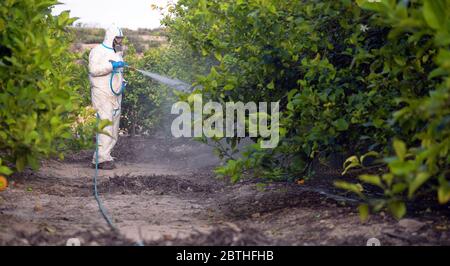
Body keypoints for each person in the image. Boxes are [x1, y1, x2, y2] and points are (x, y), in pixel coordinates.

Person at [88, 25, 127, 170]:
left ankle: (106, 154)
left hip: (115, 94)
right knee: (105, 124)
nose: (120, 41)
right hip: (102, 93)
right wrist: (111, 66)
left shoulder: (118, 52)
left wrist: (122, 83)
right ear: (111, 38)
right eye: (118, 38)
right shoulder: (98, 51)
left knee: (114, 126)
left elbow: (119, 72)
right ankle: (100, 159)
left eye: (121, 39)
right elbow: (93, 70)